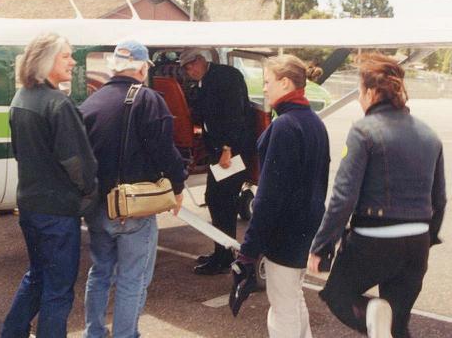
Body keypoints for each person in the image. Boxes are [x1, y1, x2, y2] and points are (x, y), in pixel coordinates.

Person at [308, 53, 447, 338]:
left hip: (374, 241)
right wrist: (427, 238)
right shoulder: (430, 135)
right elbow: (440, 199)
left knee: (338, 295)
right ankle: (380, 323)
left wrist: (321, 246)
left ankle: (372, 316)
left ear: (371, 92)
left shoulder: (363, 131)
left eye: (360, 92)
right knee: (396, 326)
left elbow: (343, 196)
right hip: (417, 243)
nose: (359, 99)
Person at [79, 40, 187, 338]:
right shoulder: (149, 100)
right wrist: (177, 186)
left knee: (99, 273)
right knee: (132, 278)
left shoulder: (90, 103)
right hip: (134, 208)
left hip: (98, 207)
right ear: (142, 68)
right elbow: (166, 152)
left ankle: (94, 333)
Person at [0, 32, 98, 338]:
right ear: (46, 61)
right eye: (66, 55)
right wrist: (89, 192)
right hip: (57, 212)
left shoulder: (20, 99)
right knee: (58, 289)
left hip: (30, 205)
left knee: (38, 276)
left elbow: (20, 151)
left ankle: (11, 333)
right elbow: (77, 163)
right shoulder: (58, 103)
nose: (72, 61)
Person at [232, 55, 330, 337]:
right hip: (308, 229)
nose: (264, 88)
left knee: (282, 308)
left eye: (267, 82)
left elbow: (269, 196)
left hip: (285, 234)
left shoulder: (284, 126)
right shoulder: (315, 123)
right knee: (294, 300)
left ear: (285, 83)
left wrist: (249, 248)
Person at [178, 48, 254, 275]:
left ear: (201, 60)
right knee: (217, 199)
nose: (189, 70)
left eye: (191, 65)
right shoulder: (205, 82)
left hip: (231, 151)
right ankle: (222, 251)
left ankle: (225, 255)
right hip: (220, 150)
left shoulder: (226, 77)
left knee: (221, 200)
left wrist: (227, 149)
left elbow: (235, 115)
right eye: (186, 68)